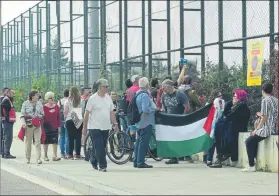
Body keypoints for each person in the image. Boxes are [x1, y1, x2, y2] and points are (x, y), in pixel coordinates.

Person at [82, 79, 119, 172]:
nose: (107, 88)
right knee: (99, 145)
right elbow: (86, 114)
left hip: (106, 126)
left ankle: (93, 159)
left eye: (107, 86)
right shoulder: (92, 99)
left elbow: (111, 112)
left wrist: (115, 124)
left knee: (101, 146)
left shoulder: (108, 98)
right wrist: (84, 127)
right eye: (105, 86)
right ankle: (103, 165)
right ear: (100, 88)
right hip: (94, 126)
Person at [210, 89, 250, 168]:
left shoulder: (241, 106)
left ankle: (220, 157)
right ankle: (219, 157)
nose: (233, 98)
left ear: (240, 97)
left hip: (237, 130)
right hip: (235, 129)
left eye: (235, 96)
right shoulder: (238, 105)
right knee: (219, 126)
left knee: (219, 126)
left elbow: (229, 117)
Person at [242, 83, 278, 172]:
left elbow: (265, 117)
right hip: (273, 127)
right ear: (271, 90)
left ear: (262, 90)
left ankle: (251, 165)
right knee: (254, 141)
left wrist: (256, 129)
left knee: (248, 141)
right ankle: (253, 160)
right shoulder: (276, 100)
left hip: (266, 128)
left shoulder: (265, 100)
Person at [161, 79, 192, 164]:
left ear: (169, 86)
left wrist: (183, 117)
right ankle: (173, 157)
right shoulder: (164, 95)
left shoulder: (180, 94)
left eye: (164, 87)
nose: (163, 89)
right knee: (172, 139)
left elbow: (187, 106)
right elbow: (164, 108)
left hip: (179, 119)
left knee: (182, 138)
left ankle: (187, 154)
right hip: (169, 121)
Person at [134, 77, 156, 168]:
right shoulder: (145, 95)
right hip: (146, 122)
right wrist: (154, 109)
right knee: (143, 143)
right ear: (147, 85)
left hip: (139, 122)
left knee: (138, 142)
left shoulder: (137, 94)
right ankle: (140, 162)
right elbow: (145, 109)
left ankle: (136, 161)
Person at [20, 90, 44, 164]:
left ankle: (38, 158)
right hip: (29, 124)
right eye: (37, 95)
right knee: (28, 141)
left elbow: (43, 114)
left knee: (38, 141)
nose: (38, 96)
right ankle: (28, 158)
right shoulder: (25, 103)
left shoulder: (39, 103)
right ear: (32, 96)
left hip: (37, 124)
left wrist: (38, 116)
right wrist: (23, 123)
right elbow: (22, 115)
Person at [205, 90, 225, 166]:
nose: (221, 97)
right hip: (211, 125)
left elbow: (221, 113)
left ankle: (217, 159)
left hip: (218, 124)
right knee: (211, 142)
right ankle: (209, 159)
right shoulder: (209, 105)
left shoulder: (221, 103)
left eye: (221, 96)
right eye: (219, 96)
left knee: (218, 142)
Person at [64, 86, 83, 160]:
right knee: (78, 137)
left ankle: (70, 154)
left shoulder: (67, 100)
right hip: (78, 118)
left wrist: (65, 118)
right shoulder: (80, 99)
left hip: (70, 118)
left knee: (70, 138)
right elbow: (82, 109)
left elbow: (65, 111)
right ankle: (78, 154)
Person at [42, 92, 61, 162]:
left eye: (53, 97)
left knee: (55, 141)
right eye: (50, 98)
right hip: (46, 127)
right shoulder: (44, 107)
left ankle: (55, 156)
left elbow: (58, 117)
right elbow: (42, 117)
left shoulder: (56, 107)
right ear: (47, 99)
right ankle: (45, 156)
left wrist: (59, 127)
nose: (52, 99)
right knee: (45, 142)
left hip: (54, 126)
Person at [1, 89, 16, 159]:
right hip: (7, 122)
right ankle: (6, 153)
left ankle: (5, 153)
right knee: (8, 137)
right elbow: (1, 106)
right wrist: (5, 117)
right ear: (9, 93)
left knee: (7, 137)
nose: (14, 95)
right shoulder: (6, 100)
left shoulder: (8, 100)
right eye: (13, 93)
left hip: (9, 121)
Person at [57, 89, 69, 159]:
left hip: (61, 121)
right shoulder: (70, 101)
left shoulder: (60, 101)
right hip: (68, 120)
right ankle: (67, 153)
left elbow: (57, 111)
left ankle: (62, 153)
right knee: (67, 137)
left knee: (62, 136)